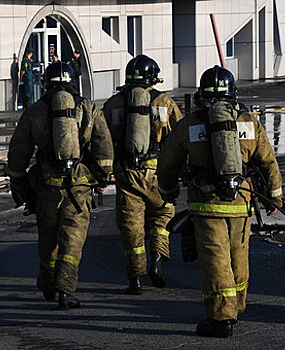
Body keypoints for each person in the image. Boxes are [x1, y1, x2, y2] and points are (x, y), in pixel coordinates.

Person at [157, 65, 282, 337]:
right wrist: (275, 197)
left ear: (202, 94)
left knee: (216, 258)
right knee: (239, 255)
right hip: (243, 202)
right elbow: (268, 161)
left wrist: (167, 193)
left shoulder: (189, 125)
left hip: (206, 203)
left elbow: (168, 164)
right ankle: (236, 306)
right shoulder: (249, 122)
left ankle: (220, 318)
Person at [7, 62, 114, 310]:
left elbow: (19, 149)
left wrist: (18, 178)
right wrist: (103, 176)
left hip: (47, 187)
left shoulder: (35, 111)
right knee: (72, 239)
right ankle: (66, 291)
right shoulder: (88, 108)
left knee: (48, 237)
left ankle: (47, 283)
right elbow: (103, 144)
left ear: (46, 82)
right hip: (79, 186)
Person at [102, 54, 183, 295]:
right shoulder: (164, 103)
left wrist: (103, 173)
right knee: (162, 215)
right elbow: (179, 137)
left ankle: (135, 280)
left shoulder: (114, 104)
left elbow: (103, 141)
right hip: (157, 173)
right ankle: (157, 259)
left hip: (127, 175)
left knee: (132, 228)